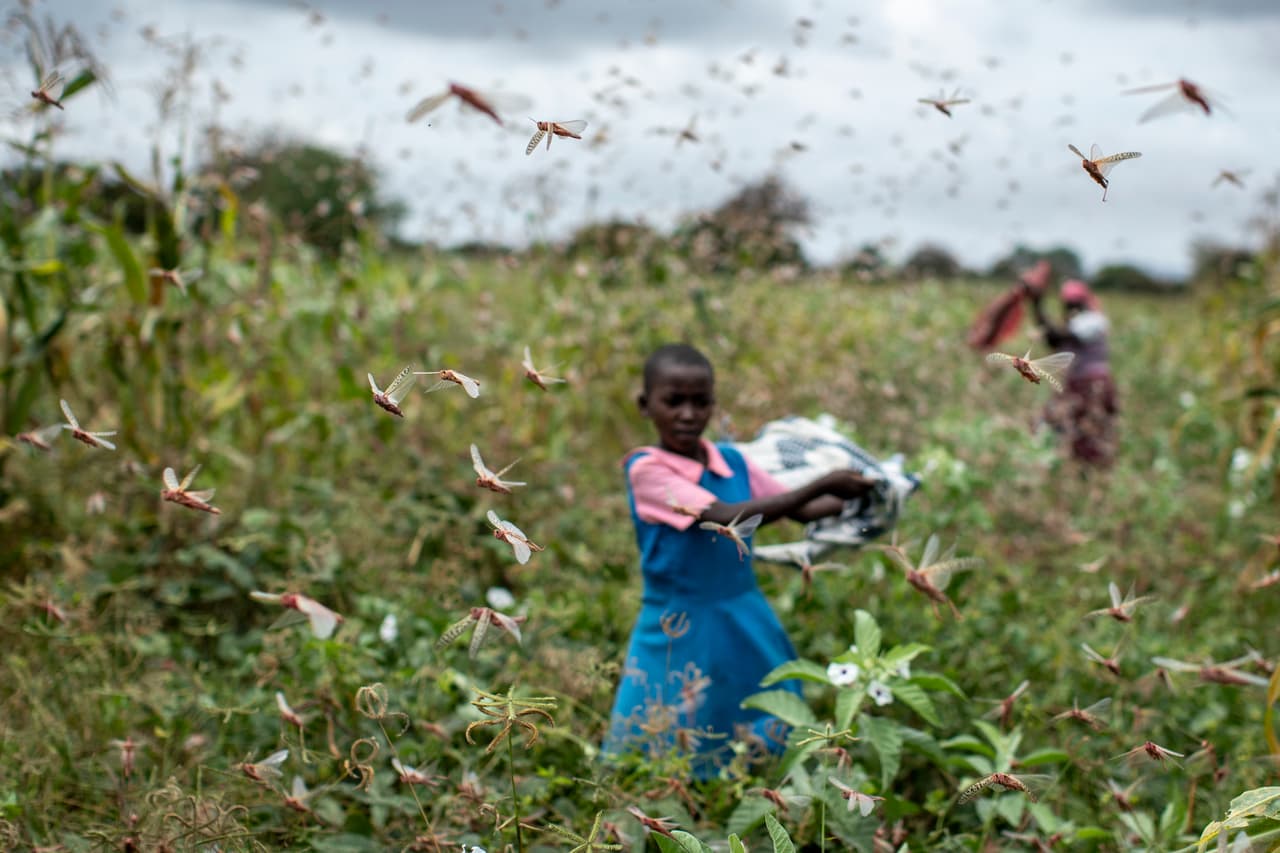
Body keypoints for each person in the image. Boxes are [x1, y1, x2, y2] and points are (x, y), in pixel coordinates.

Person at [603, 343, 874, 776]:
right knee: (662, 719)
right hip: (679, 619)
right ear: (645, 406)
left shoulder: (732, 461)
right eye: (673, 402)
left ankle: (739, 780)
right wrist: (822, 482)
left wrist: (860, 497)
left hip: (741, 610)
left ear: (713, 404)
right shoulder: (647, 470)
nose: (688, 414)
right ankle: (664, 797)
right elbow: (724, 517)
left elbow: (799, 510)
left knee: (749, 702)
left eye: (700, 402)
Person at [1026, 275, 1119, 467]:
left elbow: (1058, 336)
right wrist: (1036, 303)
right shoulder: (1075, 322)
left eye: (1074, 303)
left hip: (1093, 385)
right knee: (1058, 427)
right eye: (1068, 304)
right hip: (1075, 385)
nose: (1070, 308)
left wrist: (1038, 303)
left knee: (1090, 434)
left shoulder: (1094, 321)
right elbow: (1052, 340)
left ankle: (1090, 477)